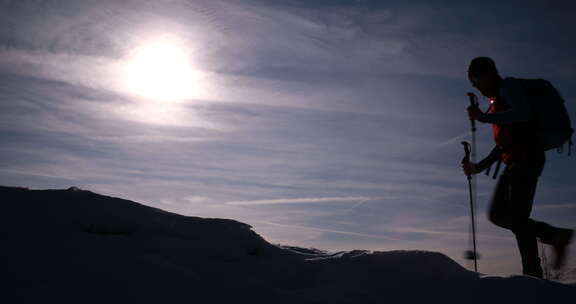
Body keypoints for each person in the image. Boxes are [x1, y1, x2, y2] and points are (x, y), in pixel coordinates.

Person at [462, 57, 573, 278]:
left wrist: (484, 118)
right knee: (498, 215)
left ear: (486, 74)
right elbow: (503, 144)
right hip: (515, 160)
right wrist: (478, 167)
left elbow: (524, 113)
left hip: (527, 158)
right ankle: (554, 237)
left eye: (475, 80)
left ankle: (532, 276)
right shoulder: (498, 101)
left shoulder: (509, 87)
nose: (475, 86)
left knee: (518, 218)